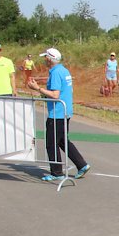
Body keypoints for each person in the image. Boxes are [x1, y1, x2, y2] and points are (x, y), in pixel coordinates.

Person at [27, 48, 90, 181]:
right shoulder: (64, 70)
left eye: (45, 57)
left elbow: (55, 95)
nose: (44, 59)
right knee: (62, 141)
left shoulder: (56, 73)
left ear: (50, 59)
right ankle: (81, 164)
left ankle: (57, 172)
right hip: (65, 111)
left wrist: (38, 88)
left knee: (51, 143)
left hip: (57, 113)